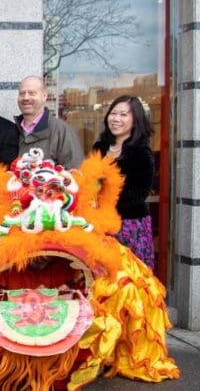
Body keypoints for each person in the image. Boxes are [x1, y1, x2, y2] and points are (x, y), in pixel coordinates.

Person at [92, 95, 157, 269]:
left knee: (128, 277)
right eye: (113, 113)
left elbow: (139, 193)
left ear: (136, 121)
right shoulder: (100, 147)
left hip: (129, 225)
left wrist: (105, 200)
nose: (116, 119)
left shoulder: (142, 152)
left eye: (123, 115)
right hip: (100, 224)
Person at [15, 75, 83, 170]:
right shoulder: (11, 130)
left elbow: (75, 171)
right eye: (22, 93)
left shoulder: (62, 131)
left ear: (44, 96)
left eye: (32, 93)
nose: (26, 98)